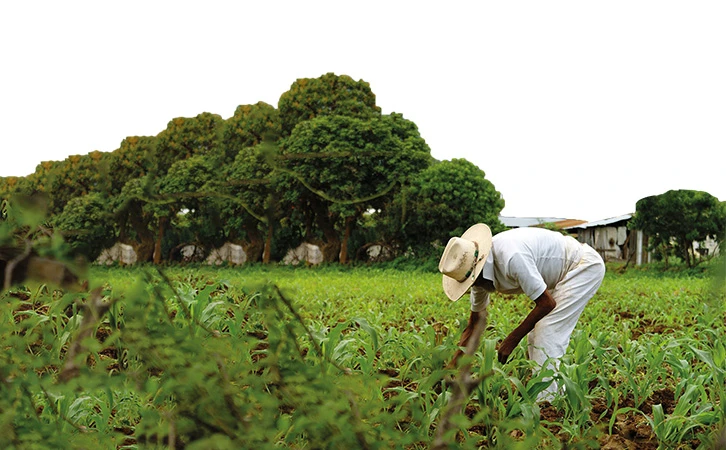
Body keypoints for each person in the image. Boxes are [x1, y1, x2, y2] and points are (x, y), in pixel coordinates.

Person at [438, 223, 605, 401]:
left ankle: (549, 402)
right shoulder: (478, 280)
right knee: (536, 334)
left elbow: (546, 304)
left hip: (583, 265)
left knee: (547, 331)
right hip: (562, 273)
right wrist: (451, 367)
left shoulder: (511, 257)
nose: (470, 288)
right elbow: (474, 326)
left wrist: (512, 338)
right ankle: (546, 389)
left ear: (476, 271)